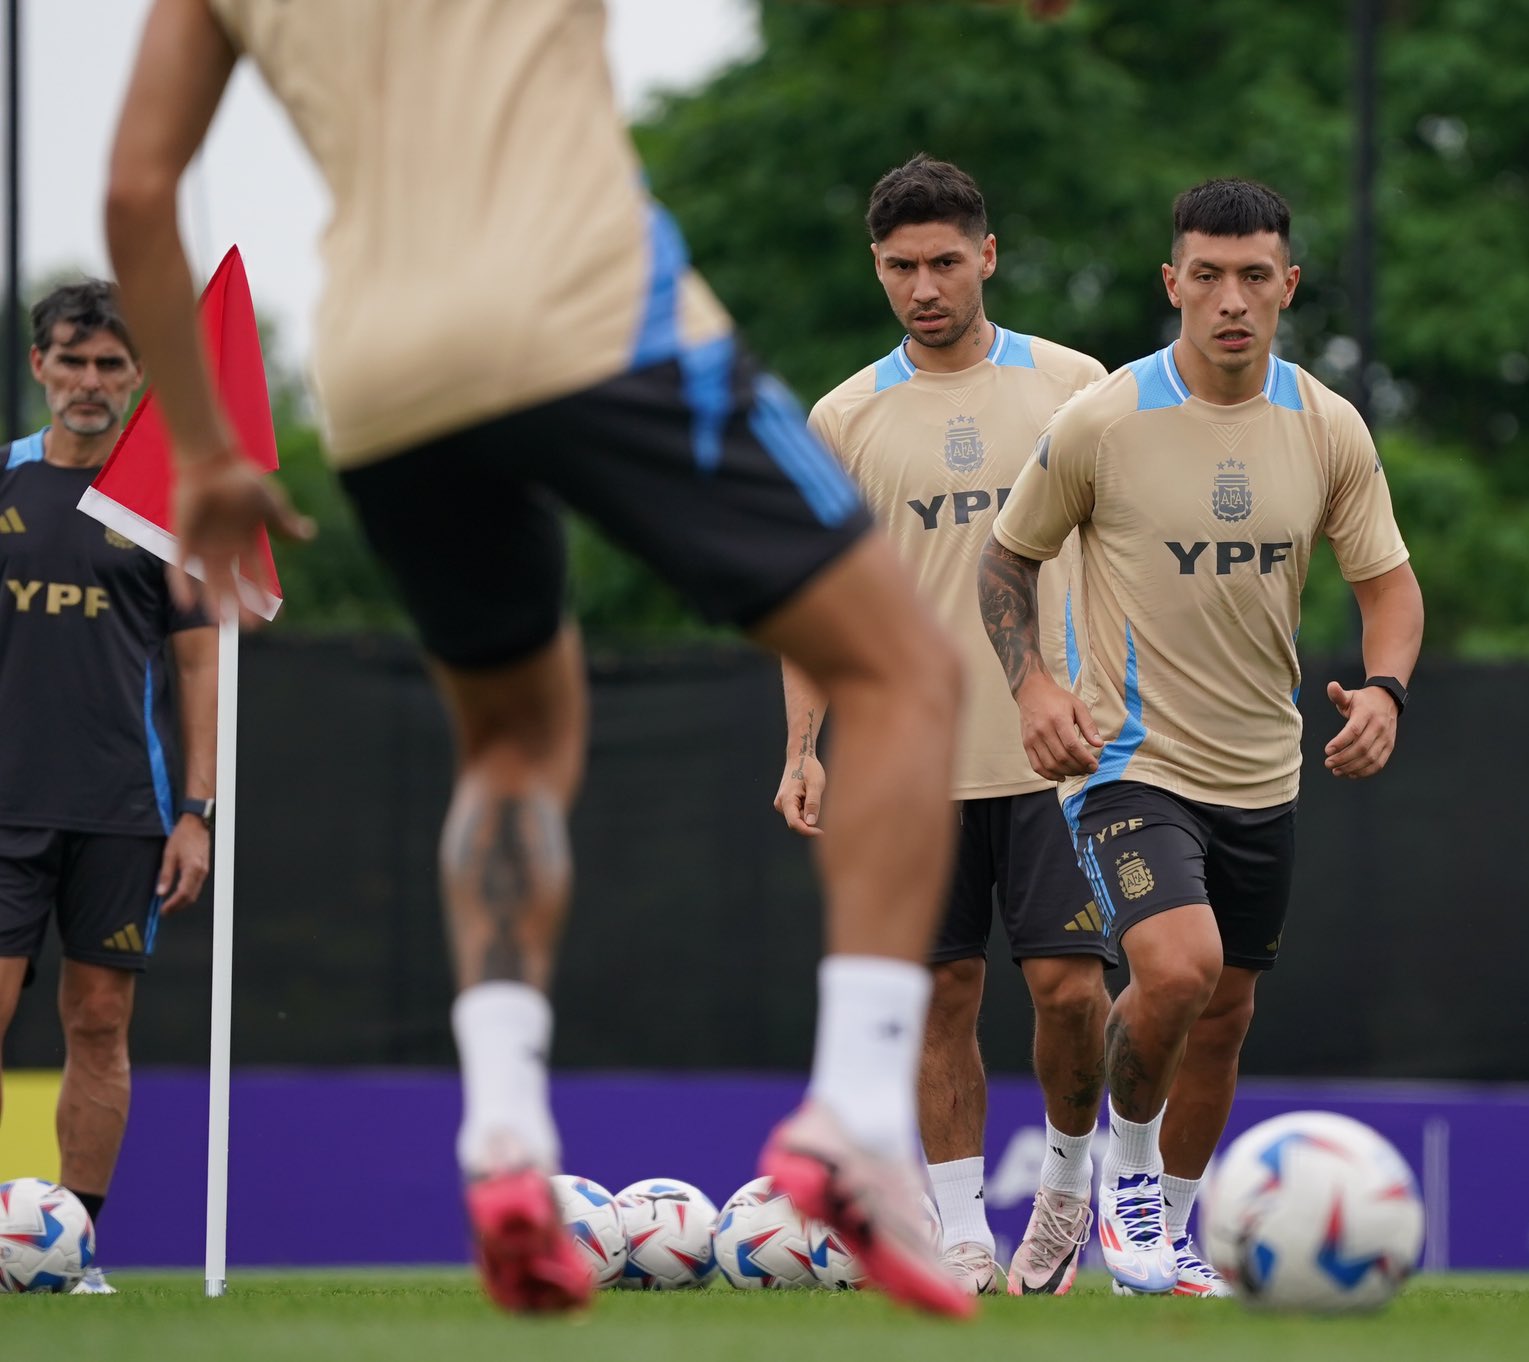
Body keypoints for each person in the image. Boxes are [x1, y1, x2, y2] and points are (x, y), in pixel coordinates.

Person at [101, 0, 1059, 1318]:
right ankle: (848, 1119)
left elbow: (137, 189)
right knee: (907, 669)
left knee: (507, 740)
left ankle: (504, 1137)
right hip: (593, 315)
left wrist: (204, 450)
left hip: (383, 372)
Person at [978, 179, 1425, 1296]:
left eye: (1254, 276)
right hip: (1129, 762)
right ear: (1171, 283)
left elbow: (1390, 587)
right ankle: (1116, 1186)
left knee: (1224, 1014)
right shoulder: (1103, 420)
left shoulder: (1325, 424)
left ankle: (1169, 1234)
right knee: (1176, 969)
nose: (1231, 299)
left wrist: (1384, 691)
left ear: (1287, 285)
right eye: (1208, 276)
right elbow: (1004, 561)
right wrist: (1031, 685)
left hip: (1261, 768)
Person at [781, 155, 1111, 1297]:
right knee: (941, 999)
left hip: (1058, 752)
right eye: (898, 267)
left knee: (1072, 990)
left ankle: (1066, 1195)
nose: (922, 285)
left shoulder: (1075, 387)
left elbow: (1130, 558)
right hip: (906, 761)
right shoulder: (844, 415)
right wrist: (802, 748)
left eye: (941, 261)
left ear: (986, 255)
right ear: (877, 271)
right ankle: (962, 1231)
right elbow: (817, 603)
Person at [0, 281, 217, 1295]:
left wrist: (198, 812)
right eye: (72, 362)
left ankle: (73, 1249)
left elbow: (200, 665)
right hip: (4, 809)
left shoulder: (163, 510)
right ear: (40, 364)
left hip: (126, 814)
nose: (90, 383)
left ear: (137, 379)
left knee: (98, 1026)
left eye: (111, 366)